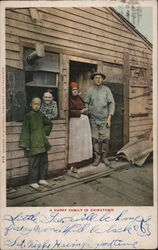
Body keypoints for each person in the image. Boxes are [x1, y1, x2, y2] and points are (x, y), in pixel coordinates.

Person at [19, 97, 53, 190]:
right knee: (33, 163)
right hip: (33, 144)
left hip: (42, 143)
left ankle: (42, 179)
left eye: (38, 104)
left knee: (44, 161)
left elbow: (49, 123)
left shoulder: (42, 115)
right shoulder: (28, 116)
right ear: (31, 104)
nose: (36, 106)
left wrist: (44, 131)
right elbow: (25, 131)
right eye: (35, 104)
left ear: (40, 105)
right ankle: (33, 181)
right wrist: (27, 145)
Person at [84, 72, 115, 167]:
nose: (98, 79)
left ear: (102, 79)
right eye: (96, 78)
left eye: (100, 78)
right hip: (93, 119)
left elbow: (111, 103)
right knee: (95, 139)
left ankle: (104, 157)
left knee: (105, 139)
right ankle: (97, 158)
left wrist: (109, 118)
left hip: (104, 119)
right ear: (93, 79)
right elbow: (86, 102)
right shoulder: (90, 90)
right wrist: (88, 112)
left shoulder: (106, 90)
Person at [68, 82, 93, 169]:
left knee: (84, 142)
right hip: (75, 123)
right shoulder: (69, 99)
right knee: (76, 143)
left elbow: (83, 106)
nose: (75, 91)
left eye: (76, 90)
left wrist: (86, 110)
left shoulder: (79, 98)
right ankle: (75, 163)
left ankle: (85, 160)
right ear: (70, 91)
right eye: (73, 90)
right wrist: (81, 111)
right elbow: (70, 111)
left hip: (83, 123)